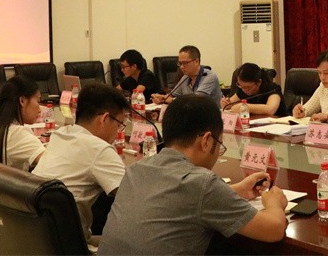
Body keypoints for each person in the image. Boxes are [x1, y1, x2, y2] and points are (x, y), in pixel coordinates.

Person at [98, 94, 288, 255]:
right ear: (206, 141)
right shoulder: (202, 183)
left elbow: (179, 199)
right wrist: (274, 202)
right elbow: (274, 229)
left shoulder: (137, 169)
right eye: (220, 145)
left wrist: (237, 191)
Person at [32, 83, 130, 244]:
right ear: (104, 119)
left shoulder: (60, 135)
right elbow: (134, 197)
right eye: (119, 125)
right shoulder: (98, 148)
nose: (118, 131)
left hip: (37, 239)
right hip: (68, 246)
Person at [151, 45, 223, 105]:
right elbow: (171, 96)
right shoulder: (185, 77)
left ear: (196, 61)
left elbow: (196, 102)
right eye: (180, 63)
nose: (181, 67)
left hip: (211, 115)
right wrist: (162, 98)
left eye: (185, 63)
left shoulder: (209, 76)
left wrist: (171, 100)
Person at [221, 63, 287, 116]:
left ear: (259, 82)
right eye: (240, 85)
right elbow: (230, 103)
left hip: (279, 125)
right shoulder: (243, 89)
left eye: (248, 87)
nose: (244, 90)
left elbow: (270, 109)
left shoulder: (272, 88)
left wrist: (245, 107)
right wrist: (225, 104)